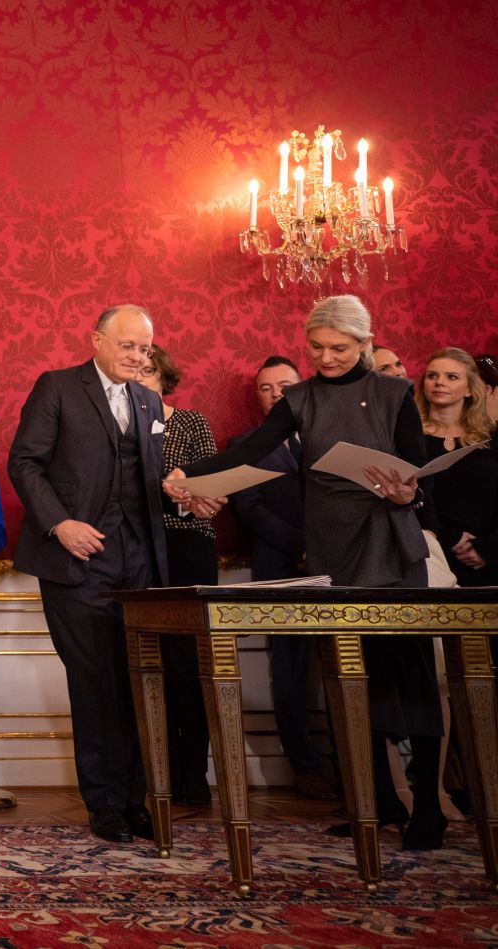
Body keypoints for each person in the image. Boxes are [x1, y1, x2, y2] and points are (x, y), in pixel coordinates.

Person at [167, 294, 448, 851]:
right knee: (347, 679)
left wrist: (408, 491)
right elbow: (251, 451)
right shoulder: (298, 398)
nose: (326, 357)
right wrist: (185, 474)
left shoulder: (394, 394)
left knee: (409, 676)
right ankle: (375, 801)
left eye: (339, 348)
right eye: (317, 347)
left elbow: (423, 475)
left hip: (390, 548)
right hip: (331, 551)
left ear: (366, 343)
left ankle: (428, 811)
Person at [7, 305, 197, 844]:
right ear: (96, 340)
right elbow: (25, 463)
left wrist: (184, 493)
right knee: (93, 685)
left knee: (138, 684)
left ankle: (136, 799)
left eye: (146, 349)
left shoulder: (148, 400)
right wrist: (60, 524)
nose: (138, 358)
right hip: (76, 562)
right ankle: (104, 805)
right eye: (128, 346)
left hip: (141, 565)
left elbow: (148, 480)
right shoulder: (58, 388)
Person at [227, 355, 336, 800]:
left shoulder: (331, 437)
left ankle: (357, 766)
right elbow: (249, 509)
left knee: (343, 665)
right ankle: (304, 765)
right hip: (278, 569)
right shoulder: (244, 443)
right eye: (266, 388)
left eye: (285, 386)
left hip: (339, 567)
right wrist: (301, 547)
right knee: (287, 669)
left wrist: (325, 549)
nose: (276, 395)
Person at [134, 345, 222, 806]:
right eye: (133, 373)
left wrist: (189, 492)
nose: (141, 379)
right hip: (139, 551)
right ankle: (156, 773)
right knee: (150, 664)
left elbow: (211, 479)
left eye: (148, 372)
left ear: (164, 377)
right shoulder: (120, 428)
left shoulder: (189, 422)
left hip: (187, 547)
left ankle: (194, 773)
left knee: (190, 665)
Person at [416, 348, 496, 589]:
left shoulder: (493, 435)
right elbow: (408, 499)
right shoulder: (408, 437)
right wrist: (451, 537)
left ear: (470, 388)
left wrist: (489, 548)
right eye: (432, 376)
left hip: (489, 559)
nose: (439, 382)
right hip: (431, 557)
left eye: (452, 377)